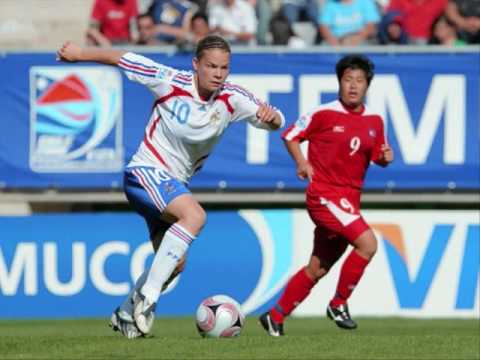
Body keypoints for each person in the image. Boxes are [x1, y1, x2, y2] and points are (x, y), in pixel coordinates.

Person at [56, 35, 284, 339]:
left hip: (172, 186)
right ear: (196, 65)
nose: (218, 73)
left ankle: (125, 313)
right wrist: (80, 52)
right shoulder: (168, 80)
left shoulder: (233, 98)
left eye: (224, 67)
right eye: (211, 66)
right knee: (195, 216)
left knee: (175, 264)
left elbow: (275, 119)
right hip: (144, 173)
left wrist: (272, 119)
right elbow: (124, 57)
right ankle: (148, 299)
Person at [259, 55, 394, 336]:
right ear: (339, 83)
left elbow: (378, 154)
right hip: (325, 195)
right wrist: (301, 162)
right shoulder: (323, 113)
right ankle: (338, 303)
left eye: (359, 81)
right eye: (348, 80)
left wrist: (385, 157)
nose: (353, 86)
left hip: (349, 199)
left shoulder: (375, 120)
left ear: (367, 85)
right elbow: (290, 135)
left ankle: (275, 315)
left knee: (318, 268)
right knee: (368, 244)